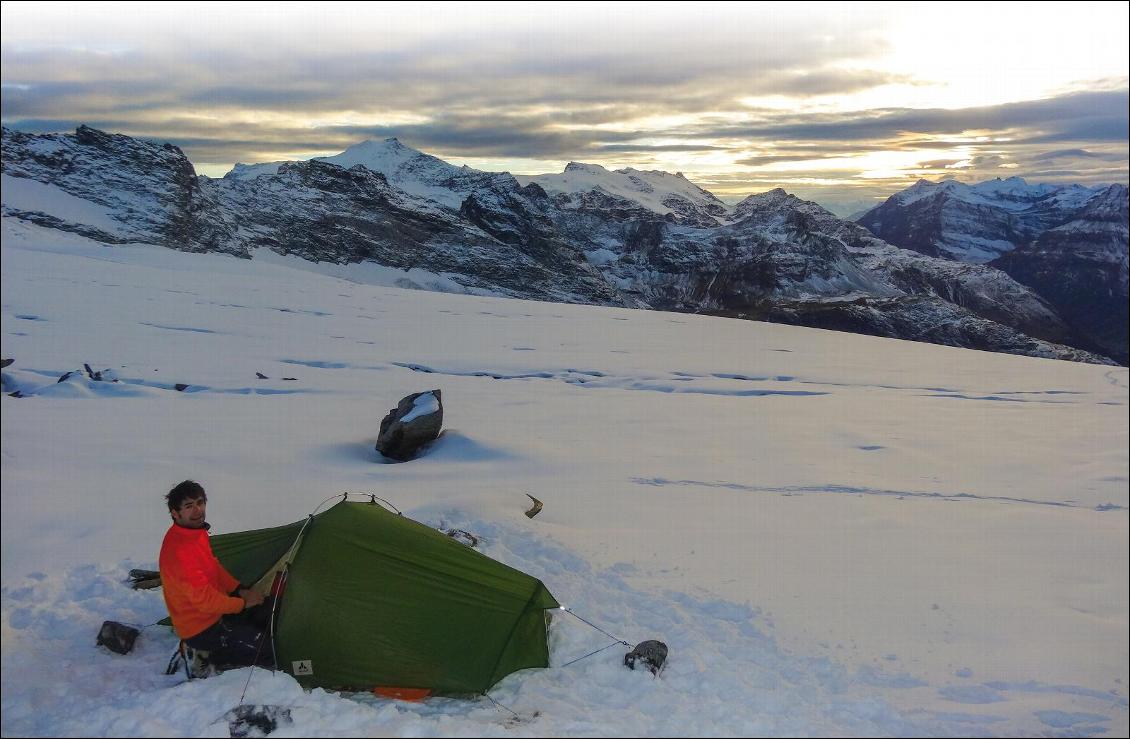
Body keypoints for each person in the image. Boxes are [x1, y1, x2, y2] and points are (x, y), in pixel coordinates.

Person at [159, 480, 274, 669]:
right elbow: (204, 601)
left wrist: (239, 589)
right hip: (201, 629)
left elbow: (213, 566)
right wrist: (242, 604)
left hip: (217, 612)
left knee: (266, 611)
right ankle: (208, 658)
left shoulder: (195, 532)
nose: (197, 510)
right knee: (265, 651)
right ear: (175, 513)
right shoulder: (179, 551)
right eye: (189, 506)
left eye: (200, 503)